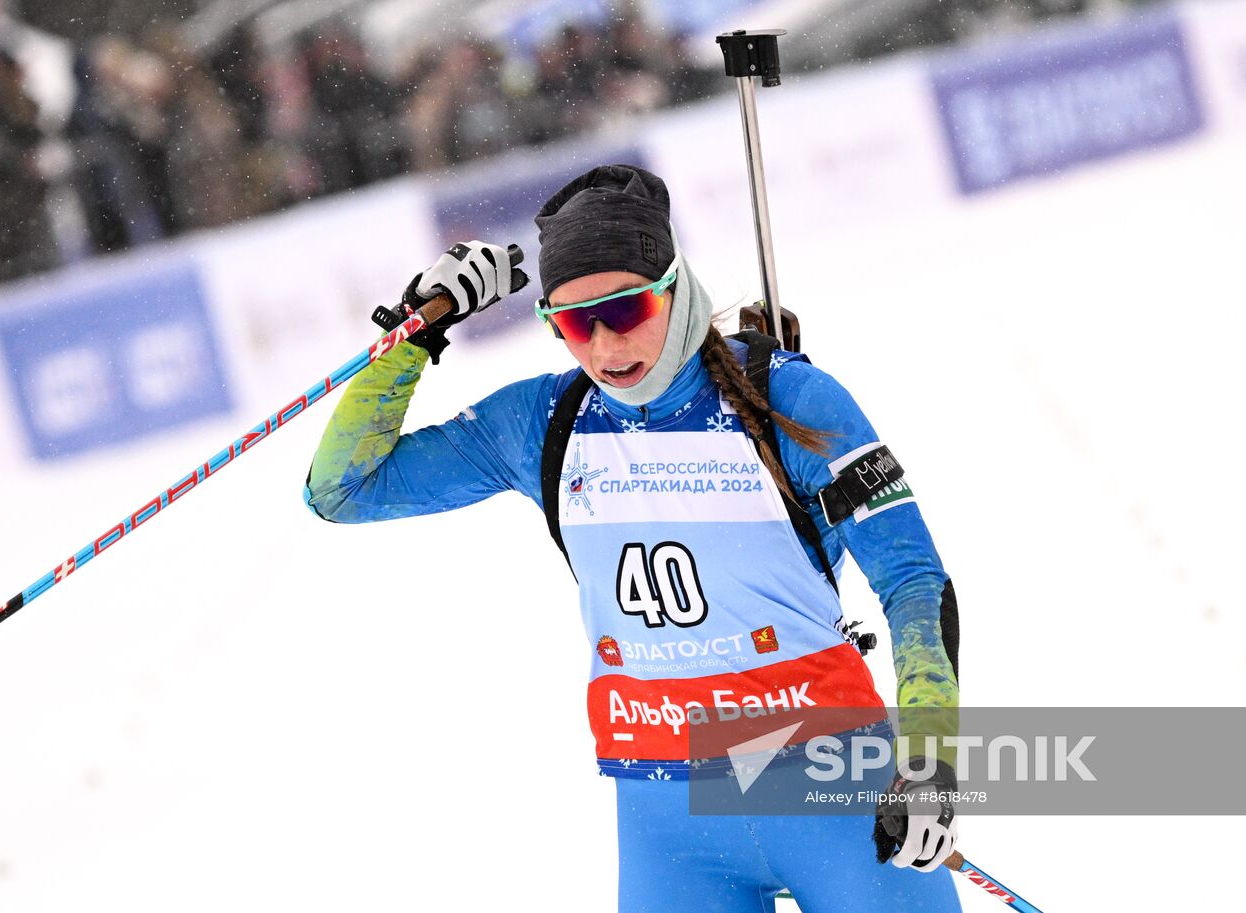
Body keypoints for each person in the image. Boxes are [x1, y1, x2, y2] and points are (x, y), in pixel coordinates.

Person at [305, 164, 963, 912]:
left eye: (626, 308)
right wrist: (417, 333)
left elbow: (911, 578)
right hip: (667, 818)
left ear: (676, 289)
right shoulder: (544, 425)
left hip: (833, 786)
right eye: (574, 323)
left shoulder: (788, 399)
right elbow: (342, 489)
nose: (606, 345)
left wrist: (930, 752)